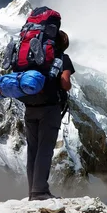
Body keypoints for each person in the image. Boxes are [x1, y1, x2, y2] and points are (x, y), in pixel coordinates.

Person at [24, 30, 75, 201]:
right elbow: (65, 83)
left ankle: (32, 191)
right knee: (45, 149)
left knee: (33, 149)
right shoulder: (63, 58)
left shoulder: (35, 57)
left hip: (30, 106)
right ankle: (40, 191)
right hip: (50, 109)